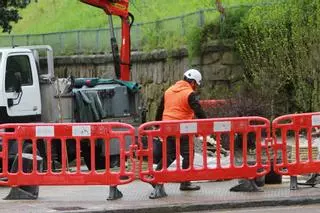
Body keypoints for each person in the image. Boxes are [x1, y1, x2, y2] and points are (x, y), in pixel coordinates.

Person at [149, 69, 207, 199]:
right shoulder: (189, 93)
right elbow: (199, 111)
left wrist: (158, 125)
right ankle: (185, 182)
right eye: (196, 84)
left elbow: (160, 108)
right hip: (183, 129)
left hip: (168, 128)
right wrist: (206, 124)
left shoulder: (169, 91)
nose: (196, 87)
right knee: (188, 154)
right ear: (192, 82)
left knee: (170, 154)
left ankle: (155, 177)